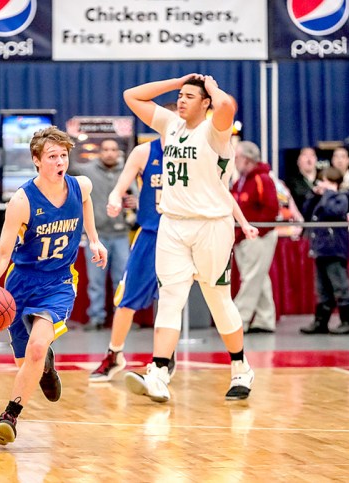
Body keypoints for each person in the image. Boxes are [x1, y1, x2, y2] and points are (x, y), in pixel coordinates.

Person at [0, 126, 107, 445]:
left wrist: (94, 240)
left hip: (58, 282)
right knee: (27, 362)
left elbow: (86, 203)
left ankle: (9, 416)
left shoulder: (81, 185)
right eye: (52, 156)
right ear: (37, 161)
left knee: (37, 347)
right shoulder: (23, 201)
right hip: (21, 284)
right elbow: (2, 253)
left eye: (64, 156)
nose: (60, 162)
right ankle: (44, 368)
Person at [121, 73, 259, 403]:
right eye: (180, 96)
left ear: (206, 103)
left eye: (189, 96)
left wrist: (209, 85)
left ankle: (240, 367)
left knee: (218, 300)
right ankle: (157, 372)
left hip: (211, 225)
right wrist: (178, 82)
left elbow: (226, 104)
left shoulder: (216, 130)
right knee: (170, 298)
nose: (181, 100)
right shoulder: (170, 124)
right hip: (172, 223)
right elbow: (132, 95)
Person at [89, 136, 165, 381]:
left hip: (184, 232)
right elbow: (119, 190)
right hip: (151, 233)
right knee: (125, 295)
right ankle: (114, 354)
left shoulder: (196, 149)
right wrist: (115, 199)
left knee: (178, 300)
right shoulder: (145, 152)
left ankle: (165, 360)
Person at [69, 139, 131, 331]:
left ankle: (121, 320)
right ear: (100, 152)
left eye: (113, 149)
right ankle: (96, 318)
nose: (110, 153)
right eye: (105, 149)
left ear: (119, 152)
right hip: (97, 236)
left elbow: (134, 196)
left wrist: (133, 206)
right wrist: (68, 146)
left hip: (121, 234)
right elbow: (70, 169)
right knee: (95, 281)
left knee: (121, 279)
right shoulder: (88, 171)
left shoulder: (126, 172)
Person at [299, 167, 349, 335]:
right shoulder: (320, 199)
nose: (322, 185)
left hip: (335, 249)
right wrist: (313, 195)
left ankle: (348, 321)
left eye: (327, 181)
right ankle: (321, 321)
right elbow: (307, 212)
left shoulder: (340, 198)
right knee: (322, 287)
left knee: (340, 285)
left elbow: (335, 211)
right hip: (320, 248)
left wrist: (327, 194)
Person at [231, 141, 279, 333]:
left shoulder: (263, 179)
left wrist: (256, 232)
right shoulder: (240, 181)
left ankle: (238, 319)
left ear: (247, 159)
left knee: (251, 278)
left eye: (236, 158)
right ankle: (265, 318)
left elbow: (271, 209)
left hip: (257, 237)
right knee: (259, 277)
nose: (234, 162)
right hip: (243, 237)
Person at [287, 146, 318, 213]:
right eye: (305, 155)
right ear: (298, 161)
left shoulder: (324, 180)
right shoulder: (291, 182)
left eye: (312, 155)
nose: (309, 158)